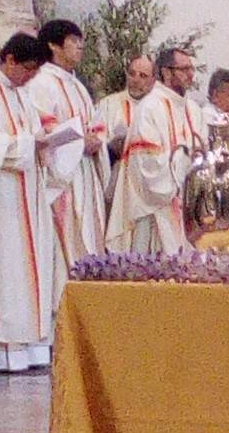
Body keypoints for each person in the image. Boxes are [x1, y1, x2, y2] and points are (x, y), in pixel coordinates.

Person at [0, 34, 54, 371]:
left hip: (26, 190)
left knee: (26, 267)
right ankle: (1, 349)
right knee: (5, 267)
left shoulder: (20, 94)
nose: (31, 77)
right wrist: (25, 145)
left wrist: (44, 143)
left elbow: (32, 133)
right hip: (2, 193)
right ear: (9, 60)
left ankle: (26, 348)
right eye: (28, 70)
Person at [30, 20, 110, 310]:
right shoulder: (41, 82)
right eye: (74, 41)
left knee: (88, 237)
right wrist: (80, 143)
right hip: (60, 179)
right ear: (53, 45)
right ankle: (58, 316)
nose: (80, 47)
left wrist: (96, 141)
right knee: (59, 248)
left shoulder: (77, 86)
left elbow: (96, 125)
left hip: (85, 174)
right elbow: (43, 133)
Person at [106, 47, 202, 253]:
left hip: (188, 209)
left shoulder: (192, 109)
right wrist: (186, 162)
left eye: (191, 69)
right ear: (166, 73)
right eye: (184, 69)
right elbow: (148, 166)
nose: (190, 75)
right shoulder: (150, 107)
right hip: (155, 212)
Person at [96, 54, 156, 165]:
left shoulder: (158, 109)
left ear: (153, 81)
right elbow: (95, 144)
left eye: (143, 76)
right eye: (132, 74)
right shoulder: (108, 105)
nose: (136, 80)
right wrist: (110, 149)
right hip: (116, 173)